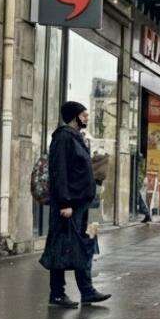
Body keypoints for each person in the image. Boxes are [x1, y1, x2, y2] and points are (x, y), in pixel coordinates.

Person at [39, 101, 111, 308]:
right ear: (74, 116)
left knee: (82, 246)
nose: (87, 117)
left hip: (80, 205)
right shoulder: (63, 138)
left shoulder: (76, 138)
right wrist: (64, 203)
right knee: (61, 249)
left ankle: (87, 292)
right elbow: (58, 171)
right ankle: (57, 294)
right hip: (68, 206)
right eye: (84, 114)